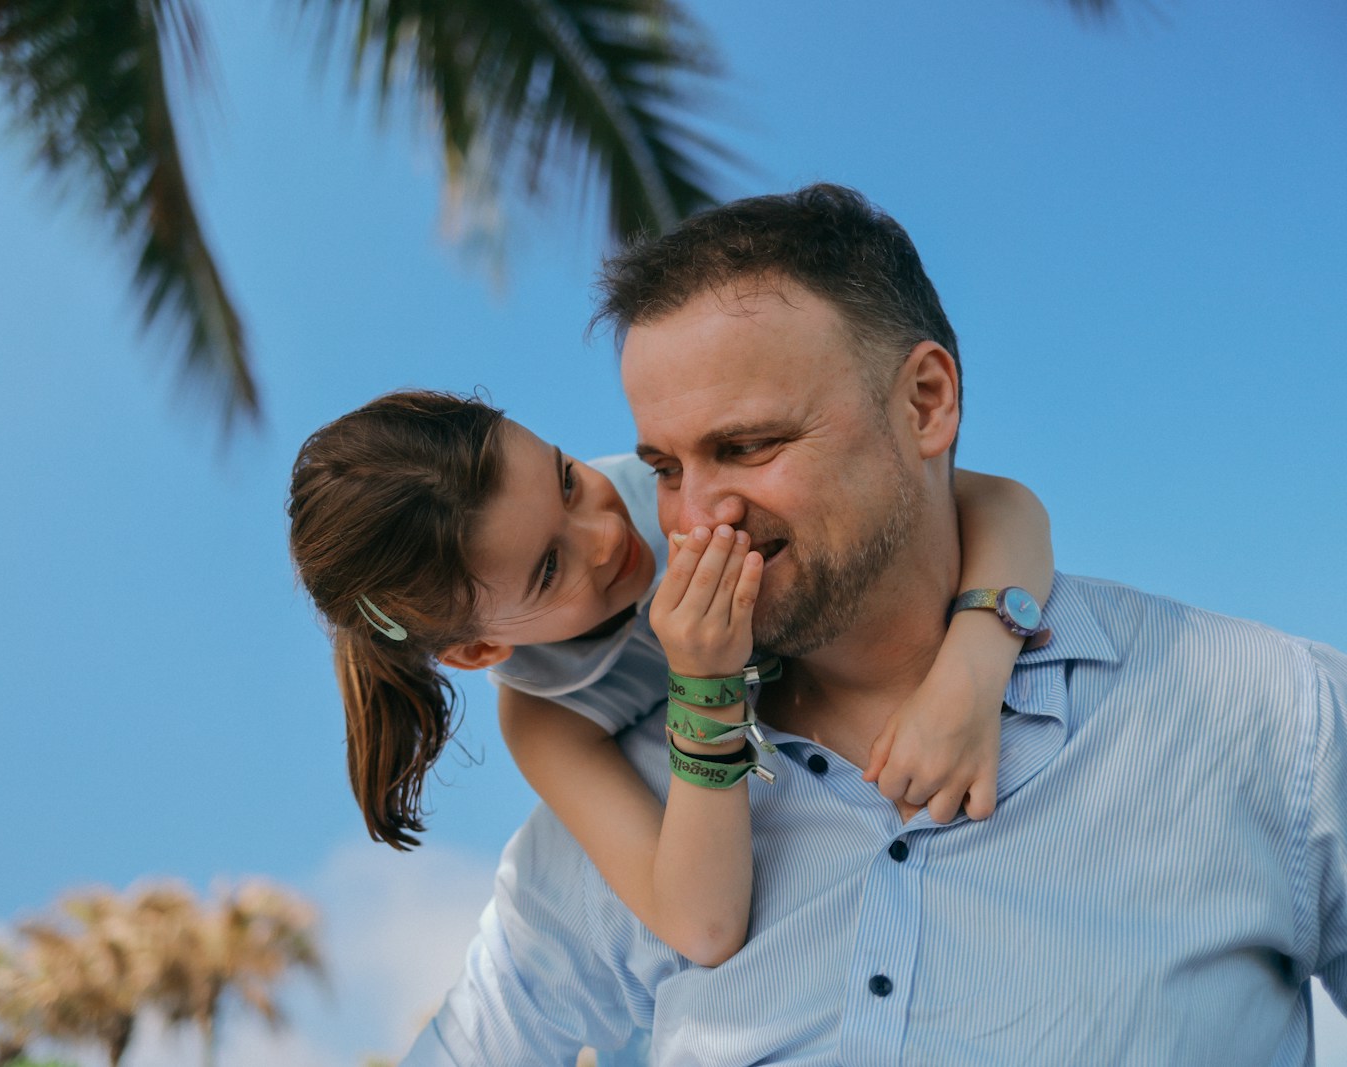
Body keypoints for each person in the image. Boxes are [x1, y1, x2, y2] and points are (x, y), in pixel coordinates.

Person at [402, 183, 1347, 1066]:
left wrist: (977, 656)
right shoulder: (629, 819)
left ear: (926, 402)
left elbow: (1003, 503)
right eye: (667, 467)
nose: (694, 519)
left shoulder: (1278, 719)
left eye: (748, 446)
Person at [288, 390, 1053, 969]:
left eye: (566, 479)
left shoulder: (683, 494)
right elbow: (702, 925)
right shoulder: (547, 717)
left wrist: (966, 681)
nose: (605, 534)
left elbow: (997, 502)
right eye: (549, 567)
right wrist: (704, 682)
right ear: (480, 650)